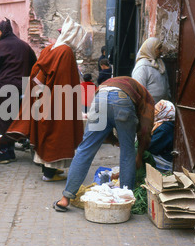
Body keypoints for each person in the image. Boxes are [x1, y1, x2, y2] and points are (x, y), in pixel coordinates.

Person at [52, 76, 155, 212]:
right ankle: (126, 201)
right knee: (127, 152)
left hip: (100, 97)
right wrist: (139, 155)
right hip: (121, 100)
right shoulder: (148, 100)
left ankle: (65, 199)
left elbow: (103, 130)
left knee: (85, 149)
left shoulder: (124, 83)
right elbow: (146, 130)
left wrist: (113, 141)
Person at [7, 16, 87, 182]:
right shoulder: (65, 52)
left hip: (43, 97)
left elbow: (37, 72)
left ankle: (50, 170)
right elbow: (65, 82)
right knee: (56, 135)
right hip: (57, 101)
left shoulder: (52, 48)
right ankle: (49, 173)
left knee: (46, 133)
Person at [0, 18, 37, 164]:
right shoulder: (24, 45)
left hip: (5, 87)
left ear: (4, 31)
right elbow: (34, 63)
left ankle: (5, 153)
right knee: (19, 117)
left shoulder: (1, 46)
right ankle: (23, 142)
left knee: (3, 120)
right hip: (22, 86)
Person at [132, 37, 170, 104]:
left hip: (162, 107)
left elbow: (166, 84)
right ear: (151, 49)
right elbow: (139, 92)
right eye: (159, 48)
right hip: (149, 108)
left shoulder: (160, 64)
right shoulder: (142, 66)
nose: (161, 51)